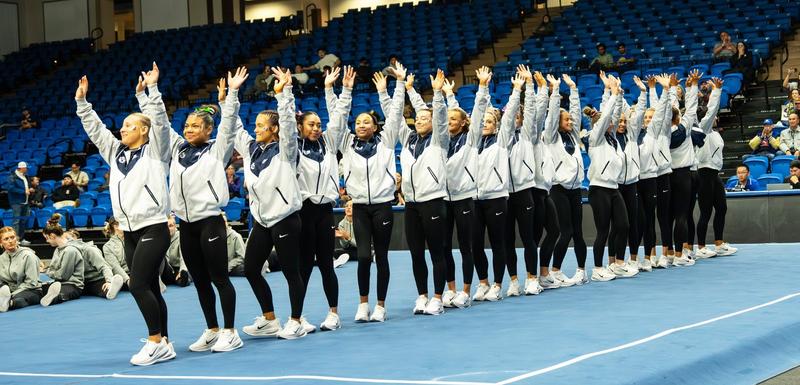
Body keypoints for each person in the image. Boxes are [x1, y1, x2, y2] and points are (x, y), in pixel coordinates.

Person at [139, 67, 243, 353]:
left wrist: (232, 94)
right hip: (186, 224)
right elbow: (160, 124)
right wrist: (151, 91)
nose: (188, 129)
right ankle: (212, 329)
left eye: (195, 126)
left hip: (210, 222)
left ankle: (230, 331)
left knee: (219, 278)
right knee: (200, 281)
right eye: (187, 125)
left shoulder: (217, 149)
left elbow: (229, 123)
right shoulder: (178, 148)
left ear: (208, 130)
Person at [75, 67, 174, 366]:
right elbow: (97, 130)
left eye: (130, 126)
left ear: (143, 130)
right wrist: (82, 103)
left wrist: (151, 92)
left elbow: (160, 122)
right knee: (151, 287)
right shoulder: (116, 152)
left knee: (138, 284)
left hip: (154, 227)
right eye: (123, 125)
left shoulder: (156, 150)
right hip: (129, 231)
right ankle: (165, 342)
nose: (123, 129)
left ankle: (154, 341)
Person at [228, 67, 308, 339]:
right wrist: (232, 94)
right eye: (257, 125)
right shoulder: (251, 149)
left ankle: (296, 320)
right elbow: (234, 127)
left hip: (285, 218)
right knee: (251, 269)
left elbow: (289, 125)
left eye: (261, 126)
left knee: (290, 272)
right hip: (262, 221)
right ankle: (270, 319)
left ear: (274, 130)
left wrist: (284, 93)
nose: (256, 128)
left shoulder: (286, 150)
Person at [337, 65, 406, 322]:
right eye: (357, 122)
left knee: (382, 257)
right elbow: (337, 118)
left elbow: (395, 114)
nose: (361, 125)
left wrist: (396, 86)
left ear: (376, 127)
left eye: (366, 121)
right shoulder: (347, 143)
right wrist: (345, 90)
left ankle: (380, 305)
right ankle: (363, 304)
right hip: (360, 208)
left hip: (382, 206)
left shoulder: (386, 142)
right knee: (364, 256)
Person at [294, 66, 354, 332]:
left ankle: (333, 314)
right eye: (311, 125)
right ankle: (297, 317)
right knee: (304, 266)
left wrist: (343, 90)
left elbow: (339, 118)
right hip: (303, 212)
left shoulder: (328, 144)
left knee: (327, 264)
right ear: (300, 126)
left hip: (325, 212)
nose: (317, 129)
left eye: (319, 125)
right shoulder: (293, 147)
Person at [388, 69, 450, 315]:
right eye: (418, 117)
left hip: (433, 201)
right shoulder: (408, 139)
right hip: (412, 205)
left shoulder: (439, 140)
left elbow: (441, 117)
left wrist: (437, 93)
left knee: (437, 252)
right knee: (416, 254)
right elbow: (394, 118)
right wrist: (393, 88)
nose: (421, 120)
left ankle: (438, 297)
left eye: (426, 118)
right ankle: (422, 295)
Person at [431, 67, 490, 306]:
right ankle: (450, 289)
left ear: (464, 123)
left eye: (454, 119)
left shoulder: (471, 139)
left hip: (464, 198)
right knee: (445, 246)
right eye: (448, 119)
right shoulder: (440, 141)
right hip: (443, 199)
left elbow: (479, 112)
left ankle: (466, 290)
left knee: (466, 246)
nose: (449, 121)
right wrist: (440, 94)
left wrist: (482, 87)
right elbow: (437, 117)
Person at [471, 71, 526, 302]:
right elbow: (475, 113)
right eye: (482, 122)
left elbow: (510, 115)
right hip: (474, 199)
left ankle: (497, 284)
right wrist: (482, 88)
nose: (485, 124)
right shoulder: (471, 143)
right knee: (475, 244)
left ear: (497, 126)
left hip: (496, 198)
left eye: (489, 122)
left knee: (498, 243)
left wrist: (516, 91)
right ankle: (483, 282)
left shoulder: (502, 141)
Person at [585, 74, 632, 281]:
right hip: (599, 189)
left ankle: (617, 263)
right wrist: (611, 95)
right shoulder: (595, 139)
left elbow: (614, 112)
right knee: (603, 231)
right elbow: (605, 117)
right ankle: (597, 269)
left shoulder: (613, 142)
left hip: (613, 188)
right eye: (608, 121)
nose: (613, 122)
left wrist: (617, 93)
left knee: (623, 225)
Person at [543, 74, 588, 285]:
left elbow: (576, 114)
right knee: (566, 231)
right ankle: (555, 270)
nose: (570, 121)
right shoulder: (551, 137)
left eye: (570, 120)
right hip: (558, 188)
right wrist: (555, 92)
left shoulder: (573, 136)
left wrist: (574, 89)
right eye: (566, 119)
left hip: (575, 189)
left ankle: (581, 271)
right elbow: (552, 117)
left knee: (578, 232)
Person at [607, 74, 649, 274]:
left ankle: (632, 259)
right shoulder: (611, 138)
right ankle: (612, 261)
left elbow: (638, 115)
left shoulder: (632, 136)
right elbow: (614, 112)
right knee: (617, 225)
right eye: (620, 121)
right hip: (615, 186)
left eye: (625, 121)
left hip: (631, 184)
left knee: (634, 222)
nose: (623, 124)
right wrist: (616, 93)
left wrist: (643, 93)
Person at [695, 78, 738, 258]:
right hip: (704, 173)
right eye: (713, 116)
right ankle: (701, 247)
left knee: (721, 207)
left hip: (714, 174)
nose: (716, 118)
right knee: (705, 211)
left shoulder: (714, 133)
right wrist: (717, 91)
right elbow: (712, 109)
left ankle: (719, 243)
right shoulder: (702, 129)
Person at [667, 70, 701, 267]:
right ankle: (680, 255)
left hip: (668, 175)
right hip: (683, 175)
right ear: (678, 118)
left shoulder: (662, 133)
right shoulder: (685, 126)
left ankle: (670, 253)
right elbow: (692, 107)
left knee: (669, 216)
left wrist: (672, 88)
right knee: (682, 215)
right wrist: (692, 86)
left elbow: (670, 109)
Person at [636, 75, 670, 269]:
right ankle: (647, 256)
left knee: (660, 217)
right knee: (644, 220)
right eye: (646, 118)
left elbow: (662, 111)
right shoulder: (635, 135)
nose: (648, 120)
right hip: (637, 180)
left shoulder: (656, 131)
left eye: (651, 117)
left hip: (656, 177)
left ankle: (661, 255)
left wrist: (664, 90)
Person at [65, 229, 125, 300]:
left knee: (102, 288)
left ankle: (110, 288)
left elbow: (104, 266)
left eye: (66, 239)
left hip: (96, 279)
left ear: (74, 239)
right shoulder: (66, 252)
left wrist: (109, 281)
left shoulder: (90, 250)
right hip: (81, 282)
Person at [41, 214, 84, 307]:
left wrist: (46, 271)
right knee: (38, 289)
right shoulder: (57, 250)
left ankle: (54, 297)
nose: (47, 241)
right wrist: (50, 271)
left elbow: (63, 276)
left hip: (73, 285)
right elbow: (53, 268)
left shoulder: (70, 250)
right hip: (59, 283)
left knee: (59, 294)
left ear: (52, 236)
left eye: (47, 238)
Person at [0, 227, 43, 312]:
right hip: (9, 291)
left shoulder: (28, 256)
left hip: (31, 290)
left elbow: (31, 282)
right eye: (6, 239)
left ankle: (10, 303)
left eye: (12, 237)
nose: (10, 241)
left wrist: (12, 294)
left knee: (18, 298)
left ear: (16, 239)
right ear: (1, 243)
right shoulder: (1, 259)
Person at [4, 162, 32, 246]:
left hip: (25, 202)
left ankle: (21, 238)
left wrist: (29, 189)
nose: (27, 169)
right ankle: (15, 240)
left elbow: (27, 187)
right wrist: (24, 192)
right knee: (16, 221)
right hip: (16, 202)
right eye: (26, 168)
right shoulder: (12, 177)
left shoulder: (26, 176)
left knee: (23, 221)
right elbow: (11, 188)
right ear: (22, 168)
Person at [161, 215, 189, 287]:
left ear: (175, 226)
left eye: (171, 226)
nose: (168, 229)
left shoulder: (181, 237)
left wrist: (182, 270)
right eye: (166, 226)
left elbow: (184, 257)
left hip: (178, 268)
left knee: (182, 278)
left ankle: (184, 277)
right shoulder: (159, 239)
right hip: (167, 269)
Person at [102, 217, 130, 286]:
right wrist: (128, 280)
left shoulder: (134, 239)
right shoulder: (107, 246)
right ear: (115, 226)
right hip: (123, 277)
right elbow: (115, 267)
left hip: (137, 274)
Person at [334, 200, 357, 268]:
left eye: (351, 206)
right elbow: (344, 246)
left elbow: (360, 245)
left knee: (365, 254)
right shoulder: (341, 224)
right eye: (346, 206)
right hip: (349, 250)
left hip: (361, 249)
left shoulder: (361, 222)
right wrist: (342, 237)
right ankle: (336, 261)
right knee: (334, 252)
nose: (348, 208)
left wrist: (348, 238)